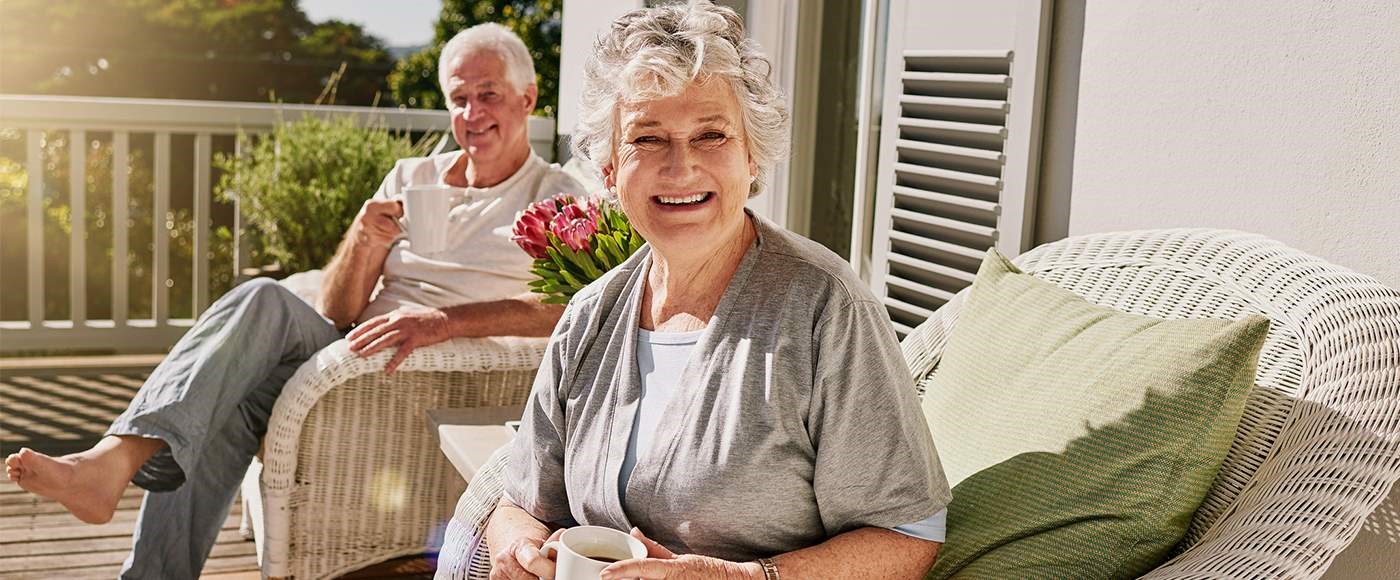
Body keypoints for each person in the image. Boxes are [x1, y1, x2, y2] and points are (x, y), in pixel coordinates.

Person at [4, 23, 582, 579]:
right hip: (347, 342)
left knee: (230, 398)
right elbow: (337, 310)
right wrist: (363, 239)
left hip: (402, 370)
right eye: (459, 99)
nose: (471, 115)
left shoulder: (556, 196)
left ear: (527, 99)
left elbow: (571, 309)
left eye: (489, 96)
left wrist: (443, 321)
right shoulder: (413, 175)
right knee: (256, 315)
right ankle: (118, 486)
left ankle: (113, 469)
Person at [480, 4, 952, 580]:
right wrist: (520, 551)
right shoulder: (589, 315)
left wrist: (742, 578)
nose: (681, 169)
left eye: (711, 135)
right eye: (647, 139)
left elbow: (907, 538)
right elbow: (519, 504)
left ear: (752, 156)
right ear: (609, 168)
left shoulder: (825, 309)